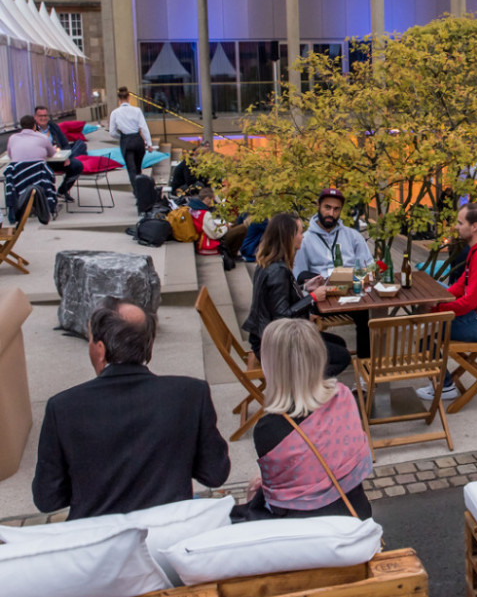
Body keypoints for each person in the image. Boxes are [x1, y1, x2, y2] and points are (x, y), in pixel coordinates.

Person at [32, 298, 230, 519]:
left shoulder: (63, 408)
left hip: (97, 541)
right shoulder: (191, 393)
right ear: (149, 344)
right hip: (168, 535)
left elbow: (47, 498)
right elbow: (215, 474)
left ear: (100, 349)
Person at [233, 319, 373, 522]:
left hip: (304, 532)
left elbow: (283, 502)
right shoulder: (344, 397)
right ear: (319, 356)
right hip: (355, 517)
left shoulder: (268, 428)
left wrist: (256, 495)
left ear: (271, 366)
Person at [419, 203, 477, 401]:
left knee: (424, 336)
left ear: (475, 227)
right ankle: (441, 381)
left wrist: (437, 309)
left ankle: (444, 386)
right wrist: (439, 299)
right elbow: (462, 283)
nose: (456, 227)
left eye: (460, 223)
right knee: (431, 289)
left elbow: (469, 302)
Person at [242, 213, 351, 378]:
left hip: (266, 338)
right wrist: (313, 297)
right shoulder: (277, 271)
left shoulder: (270, 263)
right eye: (300, 233)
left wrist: (305, 287)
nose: (302, 237)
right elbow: (282, 317)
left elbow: (278, 298)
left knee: (339, 343)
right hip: (277, 346)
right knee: (341, 357)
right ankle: (301, 388)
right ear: (289, 237)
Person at [292, 187, 373, 282]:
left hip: (351, 291)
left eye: (336, 209)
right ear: (318, 206)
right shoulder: (304, 240)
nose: (331, 213)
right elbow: (298, 277)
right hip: (319, 293)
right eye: (327, 207)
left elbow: (369, 267)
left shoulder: (354, 236)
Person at [33, 106, 86, 203]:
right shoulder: (32, 130)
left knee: (77, 165)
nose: (43, 118)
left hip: (57, 159)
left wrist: (66, 157)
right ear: (35, 117)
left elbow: (65, 144)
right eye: (40, 116)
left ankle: (62, 191)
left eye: (45, 115)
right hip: (40, 162)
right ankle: (41, 198)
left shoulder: (53, 127)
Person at [188, 187, 248, 270]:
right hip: (209, 241)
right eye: (212, 199)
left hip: (202, 236)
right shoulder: (205, 214)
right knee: (242, 228)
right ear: (207, 199)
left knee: (234, 223)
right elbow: (215, 234)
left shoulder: (193, 209)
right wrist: (226, 228)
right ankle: (232, 253)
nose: (213, 202)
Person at [107, 86, 153, 194]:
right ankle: (140, 188)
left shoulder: (115, 113)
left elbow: (112, 132)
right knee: (138, 167)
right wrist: (149, 143)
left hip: (126, 140)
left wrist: (122, 137)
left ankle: (137, 191)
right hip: (137, 139)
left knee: (131, 169)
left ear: (118, 99)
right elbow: (144, 128)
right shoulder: (137, 111)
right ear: (129, 98)